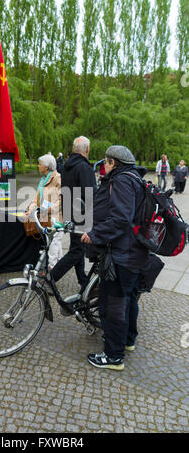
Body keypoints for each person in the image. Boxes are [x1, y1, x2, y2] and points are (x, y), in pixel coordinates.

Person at [81, 145, 149, 371]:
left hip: (123, 254)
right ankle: (128, 340)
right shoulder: (133, 178)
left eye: (105, 163)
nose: (103, 168)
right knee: (128, 299)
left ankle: (113, 356)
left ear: (113, 163)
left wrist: (94, 234)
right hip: (133, 251)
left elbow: (121, 219)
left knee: (112, 305)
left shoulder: (121, 181)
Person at [50, 136, 97, 290]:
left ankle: (83, 281)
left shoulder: (67, 166)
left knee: (77, 247)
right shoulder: (84, 167)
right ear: (87, 150)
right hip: (82, 214)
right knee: (77, 251)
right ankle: (50, 279)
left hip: (71, 211)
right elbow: (90, 193)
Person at [25, 154, 63, 269]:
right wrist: (30, 209)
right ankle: (61, 263)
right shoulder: (43, 180)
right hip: (45, 216)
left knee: (54, 241)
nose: (38, 166)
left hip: (55, 216)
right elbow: (37, 199)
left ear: (46, 167)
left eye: (40, 164)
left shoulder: (57, 178)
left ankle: (52, 268)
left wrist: (48, 210)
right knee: (53, 240)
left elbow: (62, 200)